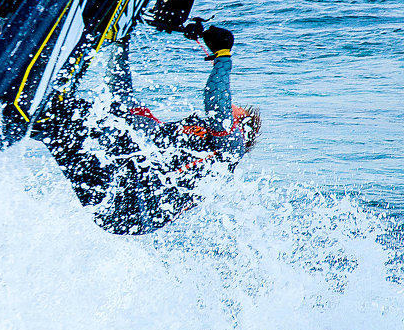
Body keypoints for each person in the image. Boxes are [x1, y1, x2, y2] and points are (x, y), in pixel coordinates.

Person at [38, 21, 260, 235]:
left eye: (235, 111)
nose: (230, 106)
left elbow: (216, 99)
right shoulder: (174, 141)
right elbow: (122, 98)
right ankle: (13, 112)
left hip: (137, 206)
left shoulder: (231, 150)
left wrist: (222, 55)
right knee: (58, 123)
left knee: (91, 118)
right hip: (112, 210)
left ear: (241, 128)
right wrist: (122, 38)